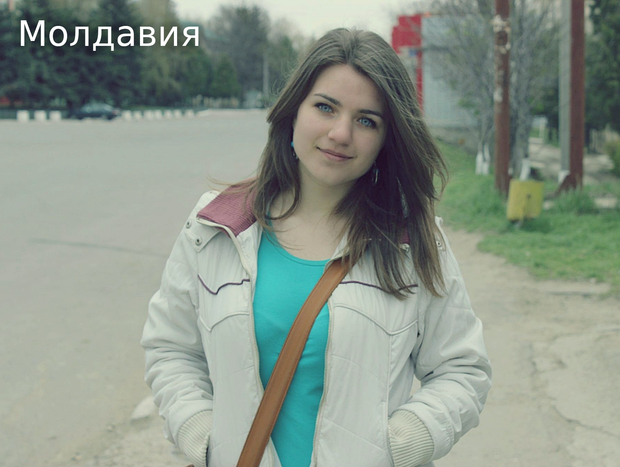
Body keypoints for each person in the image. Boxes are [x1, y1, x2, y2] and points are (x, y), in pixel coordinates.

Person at [141, 28, 491, 467]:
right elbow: (172, 349)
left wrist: (398, 445)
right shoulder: (215, 227)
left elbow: (462, 370)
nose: (341, 133)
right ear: (293, 113)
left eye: (367, 120)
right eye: (325, 107)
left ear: (386, 140)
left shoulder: (412, 243)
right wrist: (202, 433)